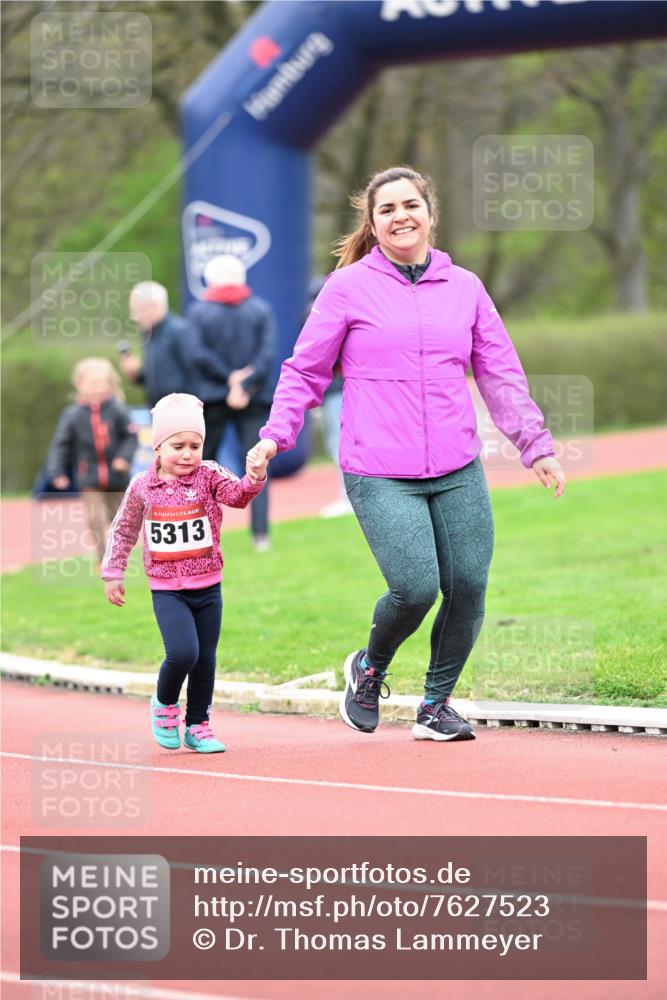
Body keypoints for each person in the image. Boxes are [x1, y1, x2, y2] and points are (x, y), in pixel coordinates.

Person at [247, 165, 566, 743]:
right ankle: (369, 669)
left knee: (468, 584)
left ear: (430, 213)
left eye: (410, 205)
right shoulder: (346, 288)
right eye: (387, 209)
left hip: (456, 465)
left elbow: (500, 372)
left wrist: (533, 444)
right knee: (416, 587)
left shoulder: (465, 287)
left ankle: (436, 706)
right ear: (373, 223)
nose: (400, 216)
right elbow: (304, 369)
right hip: (378, 468)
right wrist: (275, 434)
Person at [101, 393, 268, 753]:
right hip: (167, 588)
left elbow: (238, 496)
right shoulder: (142, 487)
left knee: (205, 658)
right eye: (178, 446)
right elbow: (124, 529)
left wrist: (254, 477)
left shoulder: (208, 474)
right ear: (158, 447)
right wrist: (113, 571)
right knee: (182, 653)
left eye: (196, 445)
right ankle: (164, 703)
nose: (188, 453)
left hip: (208, 585)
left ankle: (198, 725)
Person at [188, 254, 276, 551]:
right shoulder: (260, 309)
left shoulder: (199, 312)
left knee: (200, 466)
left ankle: (200, 532)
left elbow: (198, 354)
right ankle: (260, 536)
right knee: (258, 464)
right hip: (255, 397)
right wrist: (244, 381)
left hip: (213, 398)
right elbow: (267, 355)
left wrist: (228, 380)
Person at [45, 357, 138, 564]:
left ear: (109, 384)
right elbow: (61, 445)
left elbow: (131, 437)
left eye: (100, 383)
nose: (96, 388)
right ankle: (101, 559)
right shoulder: (72, 415)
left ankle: (121, 556)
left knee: (120, 519)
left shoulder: (118, 410)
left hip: (117, 478)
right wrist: (57, 472)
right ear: (79, 384)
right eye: (91, 383)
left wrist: (123, 458)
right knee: (95, 520)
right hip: (89, 477)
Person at [122, 282, 190, 407]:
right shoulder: (148, 333)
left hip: (180, 412)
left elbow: (194, 374)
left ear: (153, 307)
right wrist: (137, 374)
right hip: (159, 410)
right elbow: (155, 378)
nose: (134, 317)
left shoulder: (179, 331)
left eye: (137, 310)